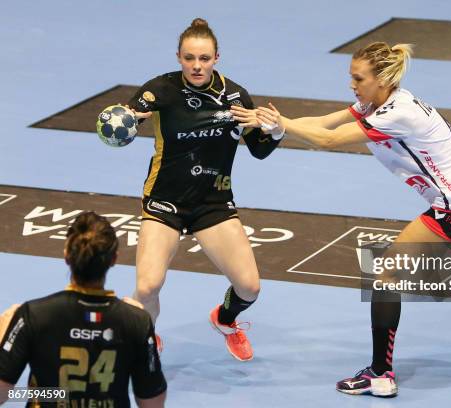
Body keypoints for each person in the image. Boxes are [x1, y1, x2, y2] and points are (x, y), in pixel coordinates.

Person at [231, 41, 451, 397]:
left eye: (358, 78)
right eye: (351, 77)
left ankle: (380, 374)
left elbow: (328, 140)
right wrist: (277, 124)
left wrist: (283, 125)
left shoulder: (397, 114)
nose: (352, 85)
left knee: (386, 275)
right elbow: (325, 122)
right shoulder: (381, 101)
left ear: (382, 79)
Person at [125, 18, 284, 362]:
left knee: (249, 287)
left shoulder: (236, 95)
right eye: (189, 58)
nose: (196, 66)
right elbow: (129, 118)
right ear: (179, 57)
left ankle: (225, 319)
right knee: (148, 285)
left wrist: (275, 131)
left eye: (204, 58)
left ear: (216, 58)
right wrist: (127, 119)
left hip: (213, 202)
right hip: (165, 202)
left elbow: (258, 148)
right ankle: (146, 337)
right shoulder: (161, 89)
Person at [0, 212, 167, 407]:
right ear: (114, 259)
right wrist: (141, 326)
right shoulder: (136, 321)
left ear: (66, 255)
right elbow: (152, 403)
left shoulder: (33, 315)